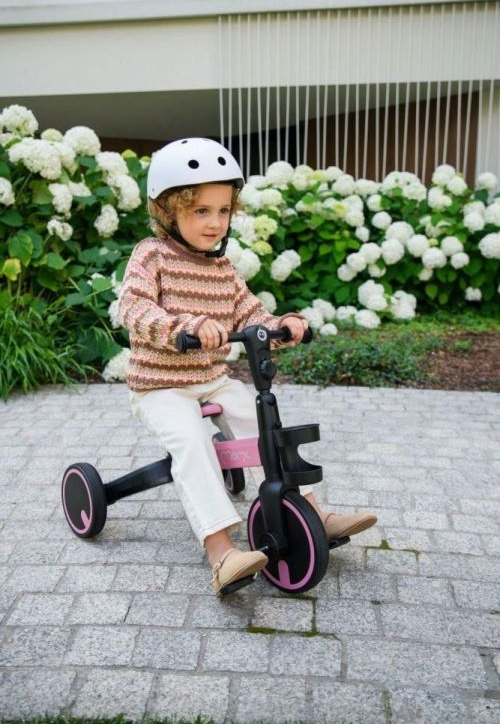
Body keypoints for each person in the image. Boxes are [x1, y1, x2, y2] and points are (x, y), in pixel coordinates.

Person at [118, 137, 377, 597]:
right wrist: (185, 326)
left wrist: (281, 326)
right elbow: (133, 308)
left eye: (223, 210)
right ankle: (221, 552)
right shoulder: (151, 256)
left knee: (263, 425)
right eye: (200, 210)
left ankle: (315, 515)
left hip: (210, 380)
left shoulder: (223, 268)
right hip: (160, 385)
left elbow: (249, 312)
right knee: (193, 442)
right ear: (167, 211)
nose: (215, 222)